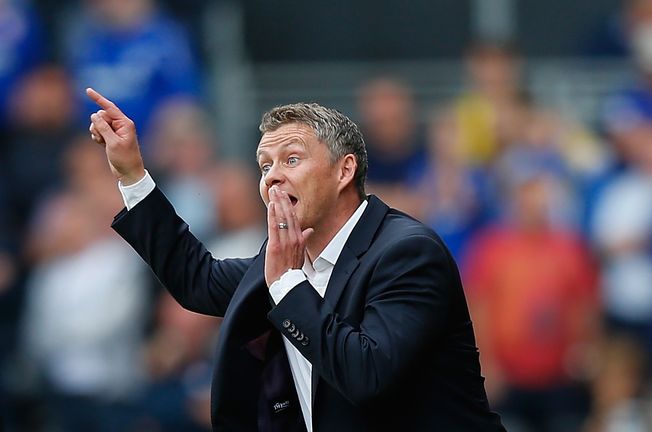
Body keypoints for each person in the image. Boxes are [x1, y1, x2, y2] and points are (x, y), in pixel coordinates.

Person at [85, 88, 505, 431]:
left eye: (291, 159)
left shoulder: (407, 252)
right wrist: (133, 174)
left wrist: (286, 284)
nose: (272, 176)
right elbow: (198, 280)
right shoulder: (285, 259)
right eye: (264, 165)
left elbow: (367, 375)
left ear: (344, 172)